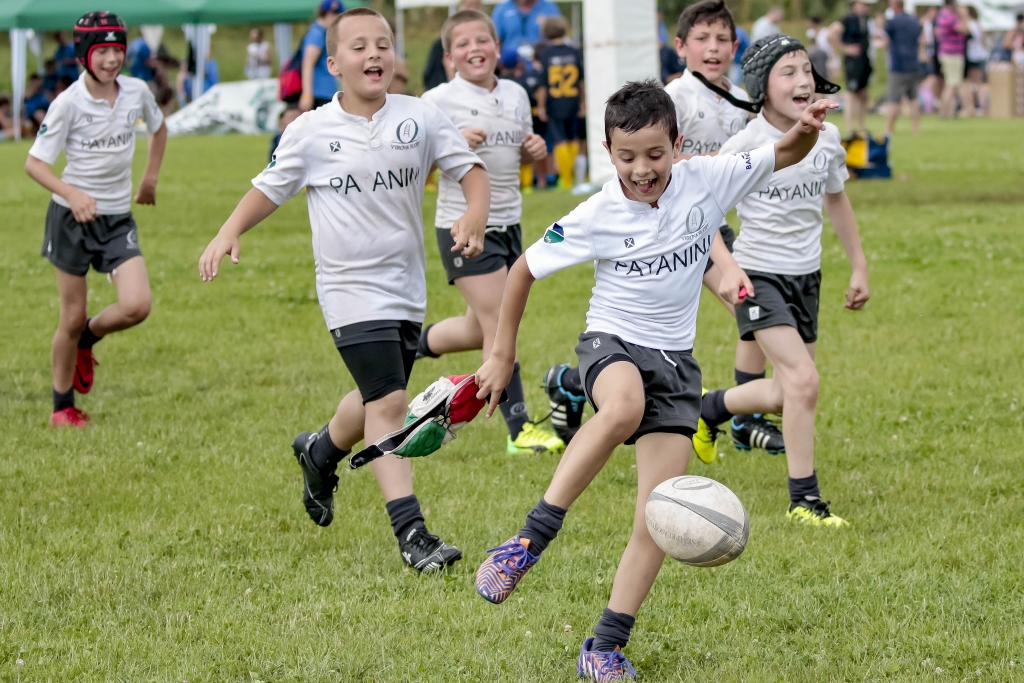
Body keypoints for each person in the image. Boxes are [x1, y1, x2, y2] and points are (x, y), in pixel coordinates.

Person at [471, 78, 838, 681]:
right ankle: (529, 541)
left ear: (677, 143)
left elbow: (785, 153)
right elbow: (521, 271)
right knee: (620, 408)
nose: (641, 169)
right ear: (608, 151)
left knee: (657, 517)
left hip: (677, 363)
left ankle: (605, 645)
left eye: (654, 154)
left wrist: (803, 131)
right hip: (611, 340)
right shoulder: (596, 212)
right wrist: (501, 353)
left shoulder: (710, 177)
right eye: (626, 156)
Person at [198, 8, 490, 573]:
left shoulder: (420, 116)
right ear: (333, 64)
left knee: (374, 396)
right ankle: (413, 535)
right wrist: (230, 229)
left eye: (383, 44)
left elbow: (470, 170)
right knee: (389, 404)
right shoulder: (309, 131)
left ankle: (320, 452)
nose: (374, 54)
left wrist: (476, 212)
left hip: (405, 288)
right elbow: (269, 188)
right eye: (359, 47)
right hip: (347, 290)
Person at [542, 0, 776, 452]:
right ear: (680, 47)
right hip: (676, 223)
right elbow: (671, 177)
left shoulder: (740, 101)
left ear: (735, 46)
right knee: (752, 312)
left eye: (722, 39)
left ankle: (737, 415)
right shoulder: (677, 101)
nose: (713, 48)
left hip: (704, 220)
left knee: (752, 315)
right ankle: (580, 381)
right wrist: (725, 261)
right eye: (702, 39)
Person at [698, 35, 867, 527]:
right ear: (762, 87)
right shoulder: (746, 145)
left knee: (785, 391)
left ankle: (710, 409)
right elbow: (703, 211)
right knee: (804, 381)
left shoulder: (829, 137)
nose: (802, 80)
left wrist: (859, 264)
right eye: (787, 72)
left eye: (806, 69)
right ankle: (804, 501)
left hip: (806, 277)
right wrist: (728, 267)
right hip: (759, 276)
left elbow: (836, 198)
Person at [418, 10, 561, 456]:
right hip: (462, 226)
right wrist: (454, 140)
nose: (474, 48)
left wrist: (534, 151)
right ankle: (520, 430)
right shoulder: (437, 100)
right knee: (501, 323)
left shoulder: (517, 94)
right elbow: (420, 164)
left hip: (510, 224)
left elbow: (518, 154)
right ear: (449, 57)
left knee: (475, 328)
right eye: (463, 44)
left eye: (483, 40)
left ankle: (413, 342)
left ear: (498, 48)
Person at [24, 12, 167, 428]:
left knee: (137, 305)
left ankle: (89, 337)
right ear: (84, 54)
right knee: (69, 316)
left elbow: (159, 129)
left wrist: (150, 179)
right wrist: (72, 194)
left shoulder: (137, 92)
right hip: (69, 219)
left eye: (116, 50)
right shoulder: (67, 103)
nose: (110, 59)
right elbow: (35, 164)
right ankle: (61, 406)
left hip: (117, 217)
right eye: (101, 50)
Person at [536, 15, 585, 190]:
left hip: (555, 102)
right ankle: (575, 178)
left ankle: (566, 180)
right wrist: (582, 102)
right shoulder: (574, 51)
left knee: (560, 140)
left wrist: (541, 106)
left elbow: (543, 85)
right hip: (573, 99)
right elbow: (581, 80)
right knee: (574, 138)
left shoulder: (546, 53)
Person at [423, 0, 484, 92]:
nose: (473, 10)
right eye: (469, 5)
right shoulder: (440, 45)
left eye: (477, 6)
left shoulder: (486, 42)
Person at [833, 0, 874, 134]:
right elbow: (832, 33)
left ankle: (861, 127)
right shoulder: (848, 19)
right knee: (852, 93)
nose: (866, 8)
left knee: (863, 93)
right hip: (853, 62)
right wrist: (844, 49)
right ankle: (850, 128)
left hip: (864, 60)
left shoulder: (865, 19)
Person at [883, 0, 922, 136]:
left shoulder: (893, 22)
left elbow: (885, 40)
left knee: (894, 99)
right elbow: (920, 38)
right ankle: (916, 129)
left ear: (894, 5)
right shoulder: (913, 21)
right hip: (913, 64)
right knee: (914, 98)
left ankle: (888, 129)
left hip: (898, 65)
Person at [300, 0, 343, 111]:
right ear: (330, 14)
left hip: (326, 92)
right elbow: (308, 64)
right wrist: (307, 95)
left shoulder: (323, 33)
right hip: (319, 93)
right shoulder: (317, 34)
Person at [934, 0, 969, 118]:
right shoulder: (949, 16)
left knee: (950, 83)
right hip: (952, 53)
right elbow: (964, 29)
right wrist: (964, 16)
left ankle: (948, 111)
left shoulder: (942, 15)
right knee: (952, 84)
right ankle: (945, 112)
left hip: (946, 52)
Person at [491, 0, 562, 51]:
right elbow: (495, 41)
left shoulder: (551, 9)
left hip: (542, 65)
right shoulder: (501, 9)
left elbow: (558, 41)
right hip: (510, 67)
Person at [964, 7, 987, 115]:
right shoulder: (977, 24)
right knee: (978, 84)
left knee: (974, 84)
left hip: (973, 56)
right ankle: (980, 106)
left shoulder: (970, 24)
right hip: (979, 55)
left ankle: (977, 106)